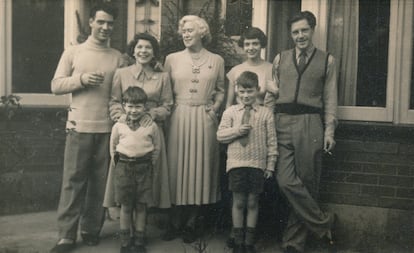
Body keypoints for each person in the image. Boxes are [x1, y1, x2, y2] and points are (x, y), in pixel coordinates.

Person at [49, 3, 125, 253]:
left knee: (100, 183)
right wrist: (81, 80)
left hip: (107, 128)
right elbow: (56, 85)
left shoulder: (117, 57)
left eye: (110, 23)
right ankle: (66, 236)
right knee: (73, 181)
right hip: (79, 125)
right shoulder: (74, 52)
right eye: (101, 22)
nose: (105, 27)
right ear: (91, 22)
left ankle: (91, 229)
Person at [264, 11, 338, 253]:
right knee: (285, 180)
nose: (300, 36)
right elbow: (270, 95)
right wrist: (266, 123)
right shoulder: (280, 59)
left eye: (304, 30)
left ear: (312, 30)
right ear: (290, 34)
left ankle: (293, 243)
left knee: (306, 182)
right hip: (282, 121)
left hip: (310, 123)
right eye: (295, 32)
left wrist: (329, 131)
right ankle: (324, 223)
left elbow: (330, 99)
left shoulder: (327, 60)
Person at [162, 15, 225, 243]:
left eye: (190, 31)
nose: (186, 34)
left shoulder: (216, 60)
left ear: (202, 32)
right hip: (178, 116)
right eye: (184, 31)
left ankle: (192, 222)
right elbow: (165, 91)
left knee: (200, 168)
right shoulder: (171, 59)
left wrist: (215, 107)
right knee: (177, 168)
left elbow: (220, 90)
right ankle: (174, 221)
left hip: (204, 117)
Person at [104, 33, 173, 211]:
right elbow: (114, 102)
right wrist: (122, 117)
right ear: (133, 51)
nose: (144, 51)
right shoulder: (121, 74)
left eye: (148, 47)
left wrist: (151, 113)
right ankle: (125, 218)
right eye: (140, 47)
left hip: (150, 129)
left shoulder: (163, 77)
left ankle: (148, 217)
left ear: (154, 52)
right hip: (127, 130)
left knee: (151, 174)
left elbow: (168, 105)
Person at [217, 71, 278, 253]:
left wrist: (270, 165)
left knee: (252, 203)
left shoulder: (265, 114)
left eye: (250, 91)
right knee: (238, 202)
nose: (246, 96)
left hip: (257, 165)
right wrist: (237, 131)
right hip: (236, 165)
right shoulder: (231, 112)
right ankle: (238, 241)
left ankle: (249, 243)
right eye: (242, 92)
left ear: (258, 91)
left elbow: (272, 142)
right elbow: (220, 135)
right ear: (236, 92)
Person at [110, 86, 161, 253]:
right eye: (130, 106)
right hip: (124, 167)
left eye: (138, 106)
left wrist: (149, 164)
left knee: (141, 206)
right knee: (125, 206)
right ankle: (125, 242)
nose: (133, 110)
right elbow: (113, 147)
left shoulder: (151, 126)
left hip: (144, 168)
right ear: (124, 106)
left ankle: (139, 241)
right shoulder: (119, 125)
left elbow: (156, 148)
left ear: (145, 107)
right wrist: (119, 165)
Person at [226, 27, 277, 108]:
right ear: (243, 46)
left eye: (255, 44)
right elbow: (229, 104)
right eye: (247, 44)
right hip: (239, 117)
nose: (251, 48)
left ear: (262, 45)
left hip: (261, 116)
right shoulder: (235, 71)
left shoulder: (271, 69)